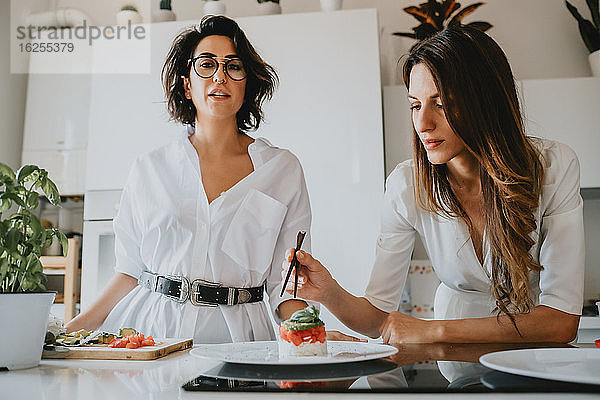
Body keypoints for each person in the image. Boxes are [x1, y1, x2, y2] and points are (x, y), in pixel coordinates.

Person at [282, 27, 584, 344]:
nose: (423, 123)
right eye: (415, 105)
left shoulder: (552, 166)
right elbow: (377, 320)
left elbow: (561, 322)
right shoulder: (406, 186)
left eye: (440, 103)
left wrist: (432, 330)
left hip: (535, 365)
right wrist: (329, 291)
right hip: (459, 370)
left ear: (486, 102)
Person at [66, 15, 311, 343]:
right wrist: (67, 332)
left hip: (241, 346)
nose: (220, 76)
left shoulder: (282, 170)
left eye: (233, 66)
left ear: (247, 83)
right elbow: (128, 273)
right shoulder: (149, 168)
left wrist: (312, 340)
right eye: (206, 64)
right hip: (152, 336)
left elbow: (286, 287)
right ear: (186, 84)